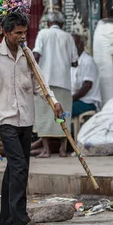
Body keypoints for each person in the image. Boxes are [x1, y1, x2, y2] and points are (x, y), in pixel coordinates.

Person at [0, 12, 63, 225]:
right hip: (4, 120)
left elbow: (40, 83)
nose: (22, 37)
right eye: (18, 33)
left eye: (25, 32)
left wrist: (53, 101)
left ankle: (5, 220)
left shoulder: (28, 55)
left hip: (25, 119)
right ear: (6, 33)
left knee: (14, 168)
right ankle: (20, 220)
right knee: (19, 167)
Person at [32, 11, 78, 158]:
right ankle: (62, 150)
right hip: (64, 82)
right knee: (63, 115)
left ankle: (46, 150)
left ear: (48, 23)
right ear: (62, 24)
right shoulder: (68, 37)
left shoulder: (43, 33)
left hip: (45, 83)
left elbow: (36, 55)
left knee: (44, 116)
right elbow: (75, 62)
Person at [71, 34, 102, 117]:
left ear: (80, 46)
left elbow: (87, 86)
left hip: (87, 102)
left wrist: (71, 99)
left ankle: (64, 129)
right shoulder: (73, 62)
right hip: (78, 101)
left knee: (63, 110)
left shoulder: (88, 62)